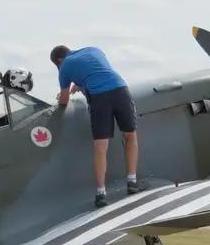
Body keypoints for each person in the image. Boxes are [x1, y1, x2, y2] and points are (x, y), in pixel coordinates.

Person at [50, 44, 142, 207]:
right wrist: (80, 84)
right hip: (120, 89)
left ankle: (101, 193)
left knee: (101, 145)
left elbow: (63, 101)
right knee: (130, 134)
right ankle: (132, 182)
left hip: (99, 98)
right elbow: (99, 72)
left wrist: (62, 95)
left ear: (59, 61)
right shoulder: (94, 50)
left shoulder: (64, 67)